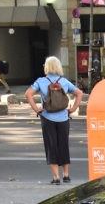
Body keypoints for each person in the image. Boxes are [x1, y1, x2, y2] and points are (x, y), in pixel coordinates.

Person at [25, 56, 84, 184]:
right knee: (63, 144)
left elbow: (28, 94)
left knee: (51, 145)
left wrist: (36, 109)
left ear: (46, 67)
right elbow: (79, 93)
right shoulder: (64, 81)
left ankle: (56, 177)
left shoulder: (41, 81)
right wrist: (72, 109)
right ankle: (66, 175)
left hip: (47, 117)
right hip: (63, 118)